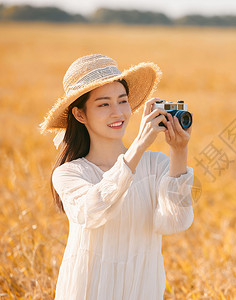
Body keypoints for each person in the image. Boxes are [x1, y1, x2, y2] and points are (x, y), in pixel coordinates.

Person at [40, 54, 195, 299]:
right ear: (80, 115)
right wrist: (138, 147)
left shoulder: (156, 164)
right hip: (88, 289)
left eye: (122, 101)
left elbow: (175, 221)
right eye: (104, 104)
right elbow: (94, 211)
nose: (118, 112)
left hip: (142, 289)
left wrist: (179, 151)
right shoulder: (69, 173)